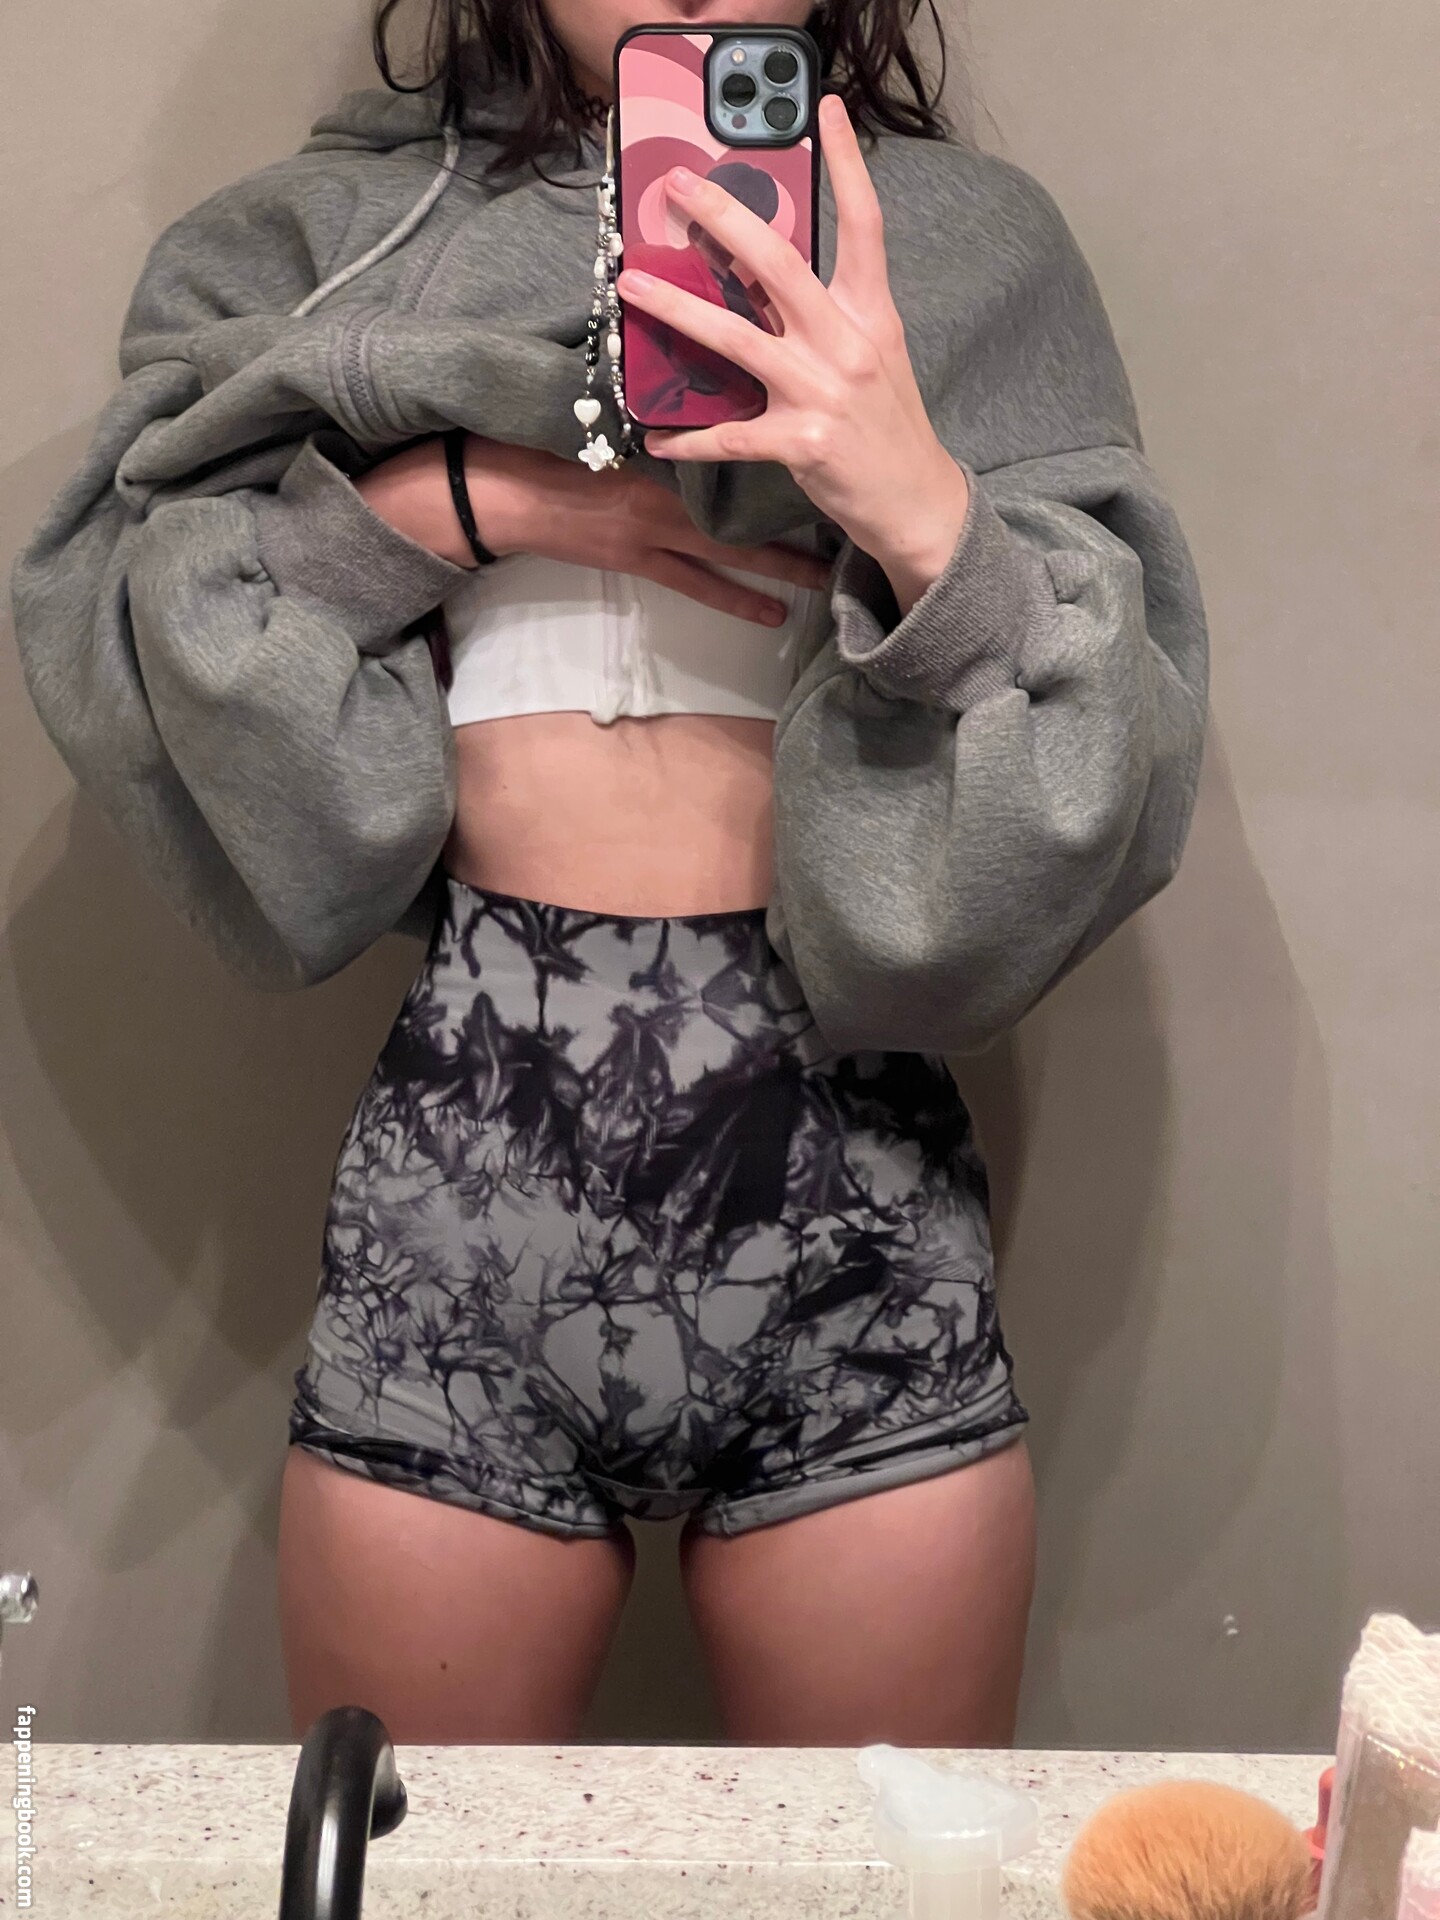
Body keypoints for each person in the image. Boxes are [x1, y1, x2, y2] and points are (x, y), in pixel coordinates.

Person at [10, 0, 1210, 1746]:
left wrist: (922, 510)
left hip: (851, 1202)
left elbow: (1110, 750)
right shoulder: (328, 244)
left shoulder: (974, 247)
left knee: (890, 1879)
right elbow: (164, 637)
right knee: (409, 1871)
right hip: (466, 1188)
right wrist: (465, 500)